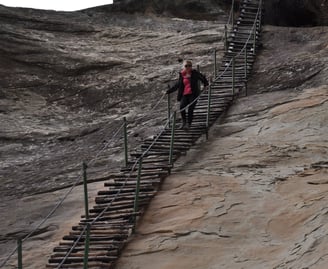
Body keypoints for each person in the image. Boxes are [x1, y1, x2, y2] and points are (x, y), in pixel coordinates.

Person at [166, 60, 209, 129]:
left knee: (190, 108)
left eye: (190, 65)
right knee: (182, 107)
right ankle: (184, 123)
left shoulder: (195, 73)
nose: (188, 67)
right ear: (183, 67)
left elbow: (202, 78)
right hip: (184, 94)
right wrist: (169, 91)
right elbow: (178, 85)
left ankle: (189, 124)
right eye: (186, 66)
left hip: (193, 94)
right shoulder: (182, 75)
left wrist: (206, 85)